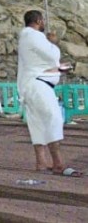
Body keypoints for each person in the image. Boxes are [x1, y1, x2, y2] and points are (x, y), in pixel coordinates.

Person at [17, 10, 82, 176]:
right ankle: (58, 163)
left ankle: (41, 162)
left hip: (33, 84)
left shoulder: (26, 36)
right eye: (43, 20)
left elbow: (42, 63)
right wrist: (52, 42)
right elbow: (53, 56)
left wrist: (58, 70)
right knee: (53, 119)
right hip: (39, 85)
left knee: (38, 123)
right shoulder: (34, 35)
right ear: (39, 20)